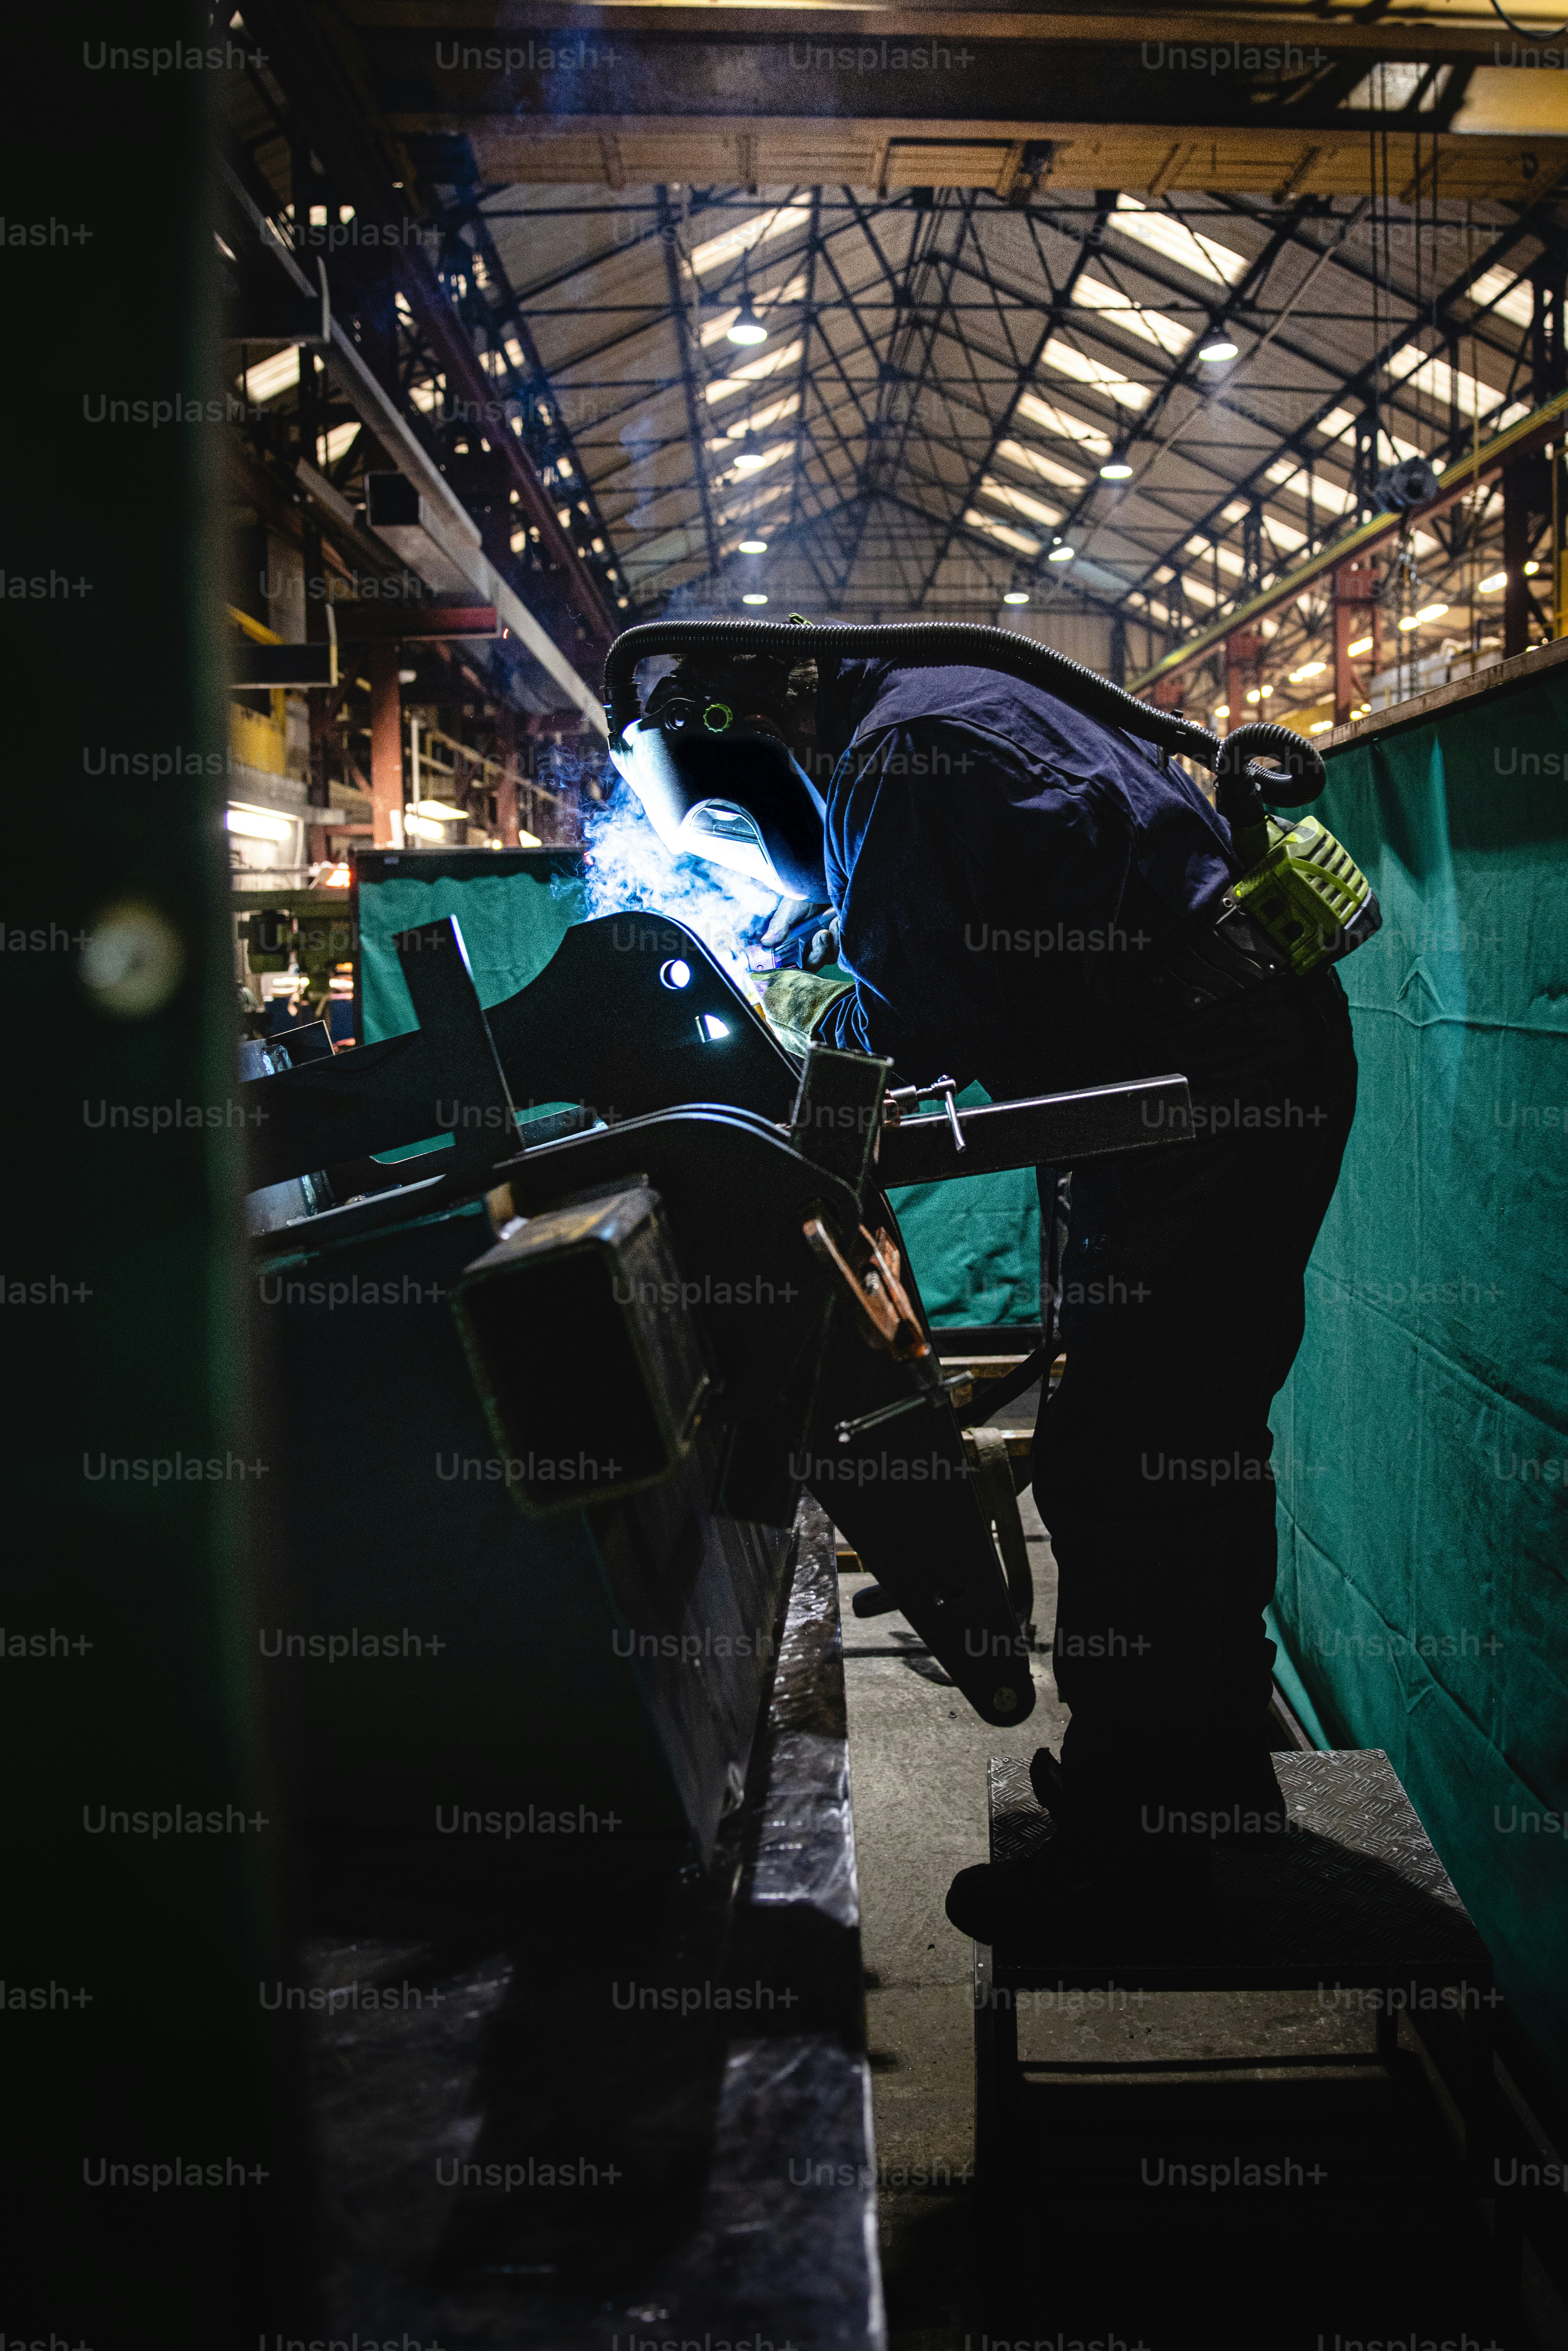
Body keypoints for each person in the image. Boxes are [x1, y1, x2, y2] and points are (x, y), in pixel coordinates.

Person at [614, 643, 1360, 1941]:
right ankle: (1199, 1784)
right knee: (1192, 1450)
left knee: (1125, 1464)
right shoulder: (932, 711)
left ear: (751, 733)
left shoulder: (901, 751)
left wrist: (794, 1034)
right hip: (1233, 1067)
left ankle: (1137, 1863)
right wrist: (834, 948)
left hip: (1212, 1093)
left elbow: (924, 1016)